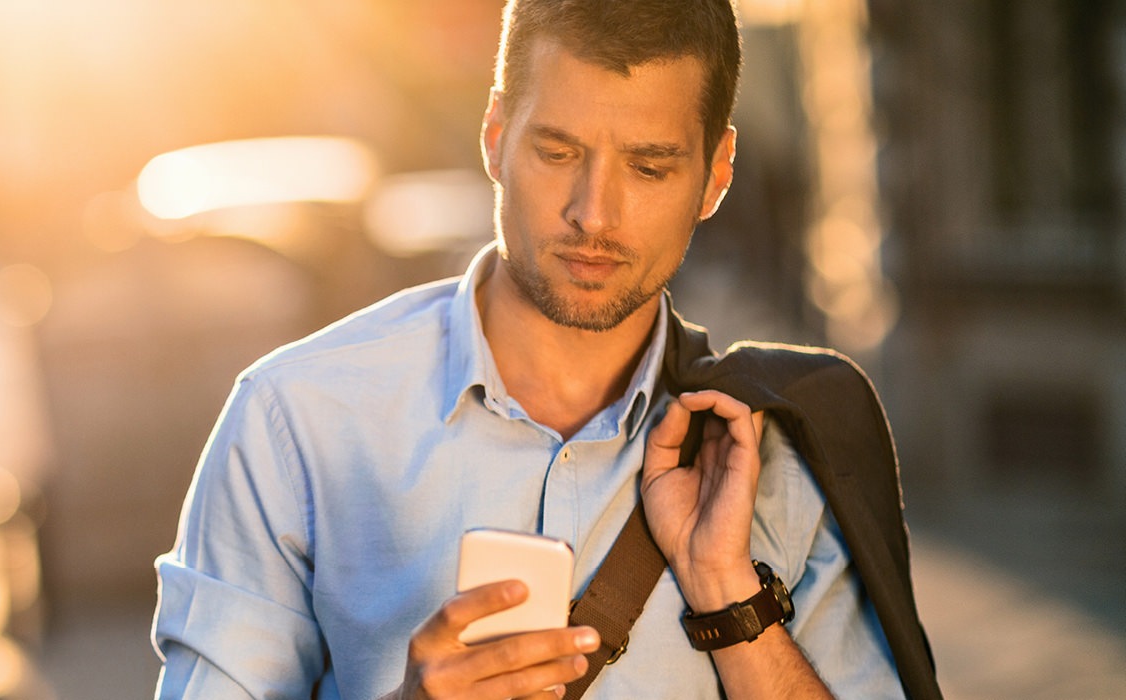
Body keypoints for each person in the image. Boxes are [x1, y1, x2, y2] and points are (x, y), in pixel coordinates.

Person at [153, 0, 911, 698]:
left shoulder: (780, 440)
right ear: (495, 137)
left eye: (649, 167)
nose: (594, 213)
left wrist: (729, 593)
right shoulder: (295, 422)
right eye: (556, 152)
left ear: (715, 175)